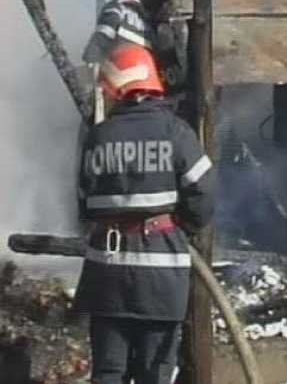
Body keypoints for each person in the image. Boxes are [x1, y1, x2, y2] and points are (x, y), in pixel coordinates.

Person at [74, 43, 215, 384]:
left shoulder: (98, 137)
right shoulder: (176, 132)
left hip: (106, 275)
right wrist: (183, 227)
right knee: (155, 372)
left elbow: (84, 202)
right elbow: (204, 195)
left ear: (115, 88)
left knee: (108, 371)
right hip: (160, 274)